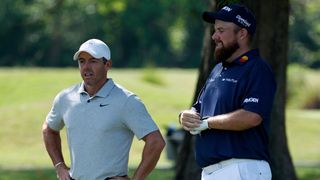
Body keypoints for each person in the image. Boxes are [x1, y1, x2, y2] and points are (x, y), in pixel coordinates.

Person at [42, 38, 165, 180]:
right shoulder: (65, 98)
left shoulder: (127, 101)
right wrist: (59, 166)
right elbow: (48, 129)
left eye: (93, 61)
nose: (86, 67)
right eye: (82, 61)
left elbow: (156, 142)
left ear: (107, 65)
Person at [179, 4, 276, 180]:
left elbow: (252, 116)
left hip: (242, 168)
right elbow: (198, 108)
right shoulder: (217, 70)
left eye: (221, 30)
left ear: (242, 33)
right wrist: (186, 116)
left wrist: (207, 123)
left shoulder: (257, 69)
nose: (214, 36)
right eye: (215, 30)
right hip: (210, 171)